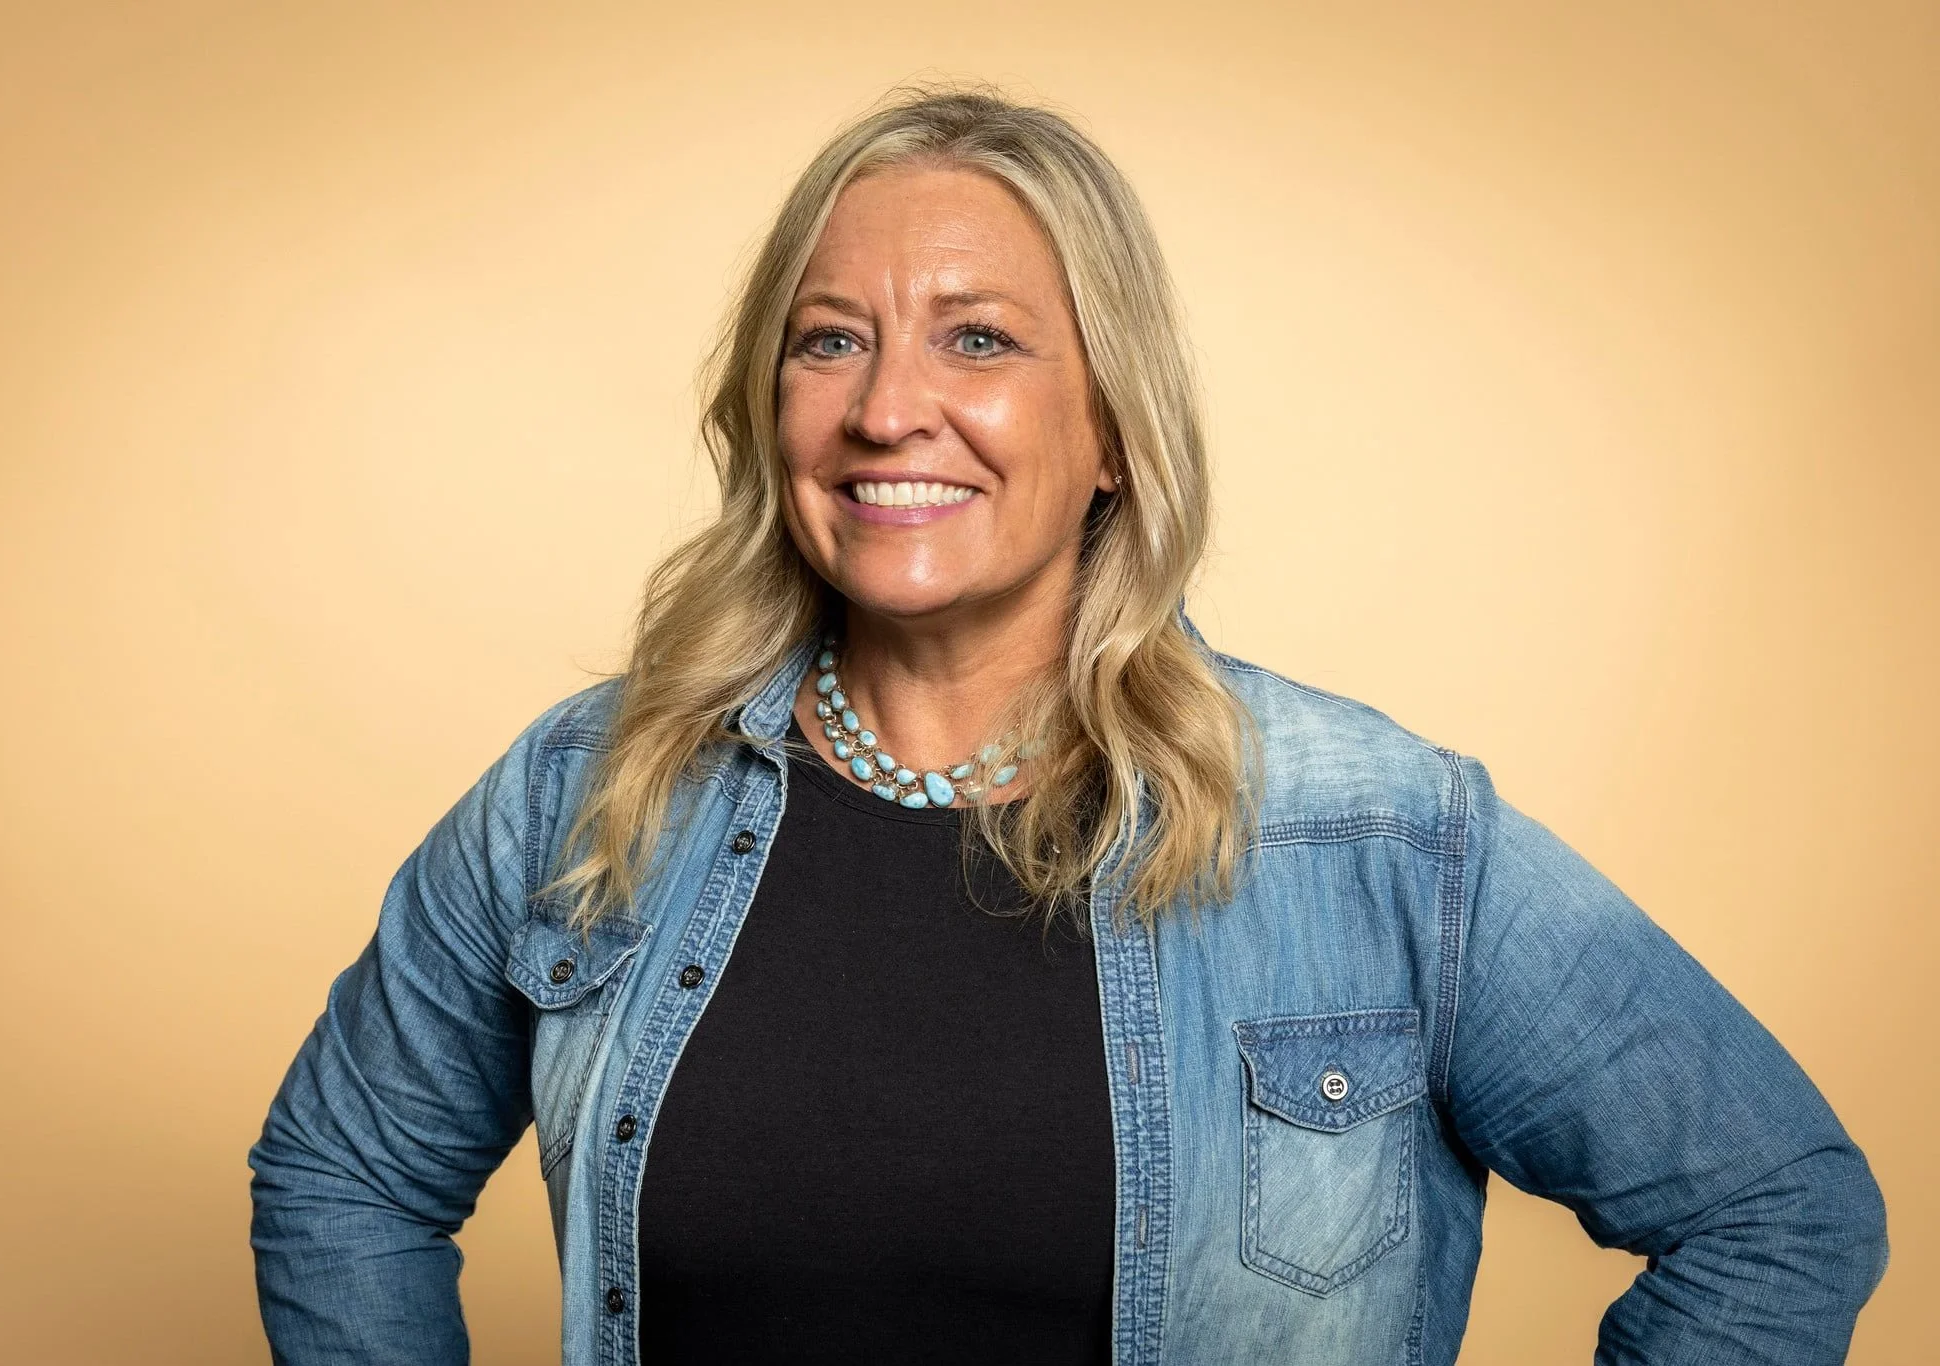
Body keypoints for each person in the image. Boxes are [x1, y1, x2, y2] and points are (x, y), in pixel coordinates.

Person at [249, 87, 1887, 1366]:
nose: (892, 406)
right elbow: (342, 1172)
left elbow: (1776, 1204)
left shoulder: (1373, 834)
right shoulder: (584, 794)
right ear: (772, 403)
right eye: (831, 338)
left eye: (980, 337)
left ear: (1109, 425)